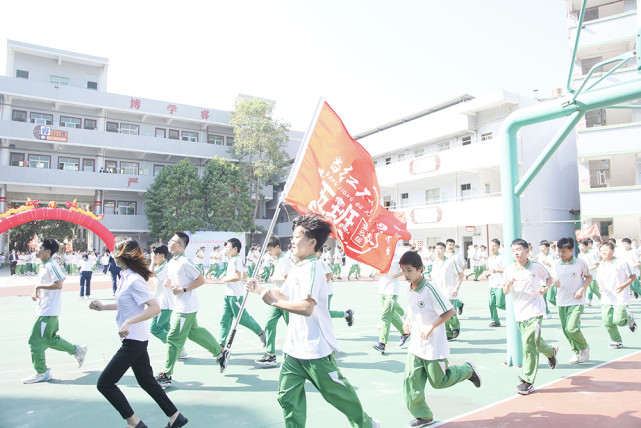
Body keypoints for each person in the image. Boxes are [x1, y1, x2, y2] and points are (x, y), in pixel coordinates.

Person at [246, 214, 380, 428]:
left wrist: (273, 303)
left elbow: (307, 308)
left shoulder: (314, 268)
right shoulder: (298, 267)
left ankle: (366, 424)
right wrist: (259, 289)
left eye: (297, 235)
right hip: (293, 350)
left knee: (339, 396)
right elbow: (283, 295)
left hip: (315, 350)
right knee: (287, 399)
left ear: (311, 242)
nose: (291, 240)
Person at [89, 237, 188, 428]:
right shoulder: (126, 276)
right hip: (136, 340)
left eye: (115, 250)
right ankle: (175, 417)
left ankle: (134, 422)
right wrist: (103, 307)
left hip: (133, 341)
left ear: (122, 255)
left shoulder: (134, 280)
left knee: (105, 384)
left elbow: (154, 308)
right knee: (147, 382)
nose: (112, 254)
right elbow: (126, 304)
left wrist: (128, 322)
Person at [399, 250, 480, 427]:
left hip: (433, 346)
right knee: (411, 382)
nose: (405, 274)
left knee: (439, 382)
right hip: (416, 346)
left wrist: (431, 326)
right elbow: (412, 308)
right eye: (403, 270)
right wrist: (407, 321)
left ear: (420, 269)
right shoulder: (410, 287)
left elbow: (449, 311)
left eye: (409, 270)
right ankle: (423, 415)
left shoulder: (430, 289)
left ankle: (467, 370)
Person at [155, 232, 228, 389]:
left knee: (174, 338)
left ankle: (166, 374)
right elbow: (177, 282)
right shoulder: (173, 262)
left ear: (181, 245)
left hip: (186, 308)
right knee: (194, 332)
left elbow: (200, 279)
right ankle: (220, 353)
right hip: (183, 305)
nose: (169, 243)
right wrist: (172, 285)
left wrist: (183, 289)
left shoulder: (185, 262)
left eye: (172, 241)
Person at [23, 238, 88, 384]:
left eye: (39, 248)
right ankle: (77, 351)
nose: (37, 250)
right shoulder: (44, 265)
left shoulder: (51, 265)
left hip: (47, 312)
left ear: (47, 251)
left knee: (35, 342)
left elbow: (58, 284)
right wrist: (38, 291)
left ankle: (42, 372)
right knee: (51, 339)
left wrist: (40, 287)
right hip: (46, 309)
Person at [503, 238, 558, 395]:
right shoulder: (509, 270)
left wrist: (545, 288)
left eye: (519, 249)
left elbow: (549, 278)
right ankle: (550, 352)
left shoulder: (536, 267)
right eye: (513, 250)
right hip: (520, 313)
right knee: (534, 342)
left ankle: (527, 381)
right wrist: (508, 285)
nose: (516, 253)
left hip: (535, 311)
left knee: (529, 345)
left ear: (527, 250)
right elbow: (505, 291)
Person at [217, 238, 265, 347]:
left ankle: (261, 332)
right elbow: (243, 275)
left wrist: (224, 279)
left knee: (243, 319)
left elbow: (237, 277)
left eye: (228, 248)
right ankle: (221, 344)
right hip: (228, 295)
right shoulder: (233, 259)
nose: (226, 250)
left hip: (235, 296)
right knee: (225, 320)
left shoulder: (236, 260)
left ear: (235, 248)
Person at [551, 237, 592, 364]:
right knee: (565, 330)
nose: (561, 254)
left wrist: (581, 289)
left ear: (571, 250)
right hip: (561, 301)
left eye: (564, 251)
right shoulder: (556, 264)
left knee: (572, 328)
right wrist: (553, 282)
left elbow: (589, 278)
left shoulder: (580, 263)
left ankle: (584, 348)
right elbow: (551, 279)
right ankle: (576, 352)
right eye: (559, 251)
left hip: (576, 301)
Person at [255, 236, 292, 367]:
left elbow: (288, 277)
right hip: (276, 298)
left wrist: (273, 277)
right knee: (269, 324)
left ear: (277, 247)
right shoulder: (277, 260)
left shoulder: (285, 260)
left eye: (270, 249)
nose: (269, 252)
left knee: (294, 327)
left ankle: (308, 350)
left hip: (286, 299)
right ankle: (271, 355)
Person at [597, 241, 637, 349]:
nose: (603, 252)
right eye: (602, 251)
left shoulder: (621, 263)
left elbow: (633, 277)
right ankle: (616, 341)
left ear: (613, 251)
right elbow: (599, 279)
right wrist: (600, 286)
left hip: (620, 296)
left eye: (606, 250)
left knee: (618, 320)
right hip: (606, 297)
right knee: (607, 321)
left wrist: (623, 286)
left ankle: (629, 318)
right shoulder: (601, 265)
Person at [373, 244, 409, 353]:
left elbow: (405, 270)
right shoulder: (381, 257)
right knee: (392, 315)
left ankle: (382, 343)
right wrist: (377, 272)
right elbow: (375, 273)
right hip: (382, 290)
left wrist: (397, 275)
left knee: (385, 316)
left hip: (392, 291)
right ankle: (405, 333)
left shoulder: (398, 258)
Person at [431, 242, 464, 340]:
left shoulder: (450, 261)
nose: (438, 250)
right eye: (436, 248)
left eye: (440, 248)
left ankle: (456, 324)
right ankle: (449, 334)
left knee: (447, 315)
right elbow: (434, 279)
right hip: (439, 293)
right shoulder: (435, 263)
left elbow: (461, 275)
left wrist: (456, 288)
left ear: (445, 250)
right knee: (441, 315)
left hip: (450, 293)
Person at [483, 239, 506, 327]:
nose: (492, 248)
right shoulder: (490, 258)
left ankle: (514, 310)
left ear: (498, 247)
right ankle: (495, 320)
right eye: (491, 245)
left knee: (500, 304)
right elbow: (489, 270)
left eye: (494, 246)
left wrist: (496, 271)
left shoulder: (502, 257)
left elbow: (506, 269)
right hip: (492, 284)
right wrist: (487, 272)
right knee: (491, 303)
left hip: (500, 284)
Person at [578, 239, 601, 306]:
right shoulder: (579, 255)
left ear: (586, 246)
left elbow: (596, 264)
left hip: (591, 276)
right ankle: (581, 306)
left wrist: (587, 270)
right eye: (580, 246)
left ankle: (605, 301)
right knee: (582, 291)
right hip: (582, 277)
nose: (581, 248)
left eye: (583, 246)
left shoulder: (591, 254)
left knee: (596, 290)